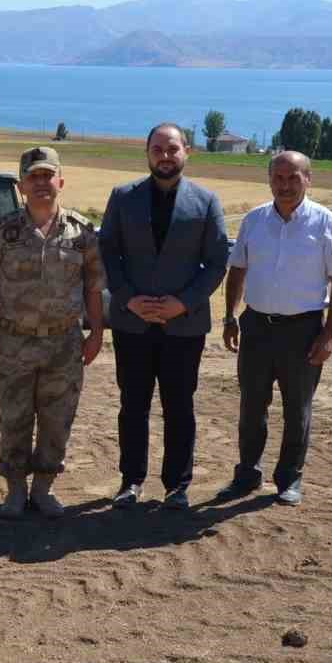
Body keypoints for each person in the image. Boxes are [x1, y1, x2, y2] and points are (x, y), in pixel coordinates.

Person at [99, 123, 231, 511]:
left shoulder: (206, 202)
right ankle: (131, 481)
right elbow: (108, 253)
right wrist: (126, 299)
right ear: (147, 153)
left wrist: (184, 302)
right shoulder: (123, 197)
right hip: (133, 322)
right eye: (158, 149)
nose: (165, 156)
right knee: (133, 405)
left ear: (186, 151)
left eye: (172, 149)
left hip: (184, 326)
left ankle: (177, 486)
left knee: (180, 406)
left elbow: (217, 261)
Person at [0, 146, 105, 520]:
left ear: (60, 181)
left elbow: (94, 287)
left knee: (57, 418)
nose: (41, 183)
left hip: (64, 343)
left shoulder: (81, 232)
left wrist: (95, 334)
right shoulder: (2, 231)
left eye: (48, 176)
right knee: (14, 417)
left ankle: (44, 487)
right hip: (13, 341)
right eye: (34, 177)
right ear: (21, 186)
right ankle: (15, 488)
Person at [216, 151, 332, 507]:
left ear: (308, 179)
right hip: (257, 326)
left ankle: (289, 478)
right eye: (278, 178)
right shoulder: (254, 221)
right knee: (251, 405)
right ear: (269, 180)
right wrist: (230, 316)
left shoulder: (329, 225)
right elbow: (238, 270)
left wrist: (329, 334)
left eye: (293, 177)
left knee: (297, 408)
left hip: (303, 331)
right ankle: (247, 474)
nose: (285, 185)